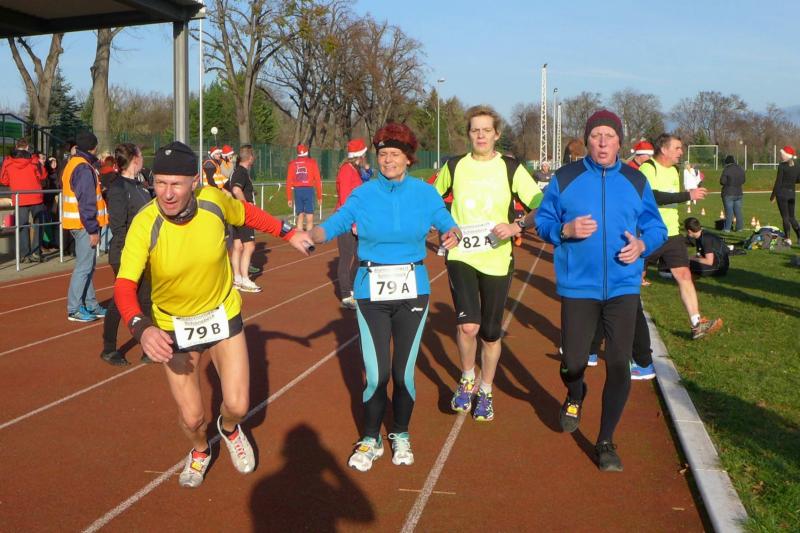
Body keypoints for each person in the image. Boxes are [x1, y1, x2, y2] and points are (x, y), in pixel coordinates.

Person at [113, 141, 312, 488]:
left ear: (194, 182)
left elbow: (246, 213)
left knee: (238, 405)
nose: (167, 193)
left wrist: (289, 232)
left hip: (221, 314)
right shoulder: (145, 223)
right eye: (160, 183)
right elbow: (124, 285)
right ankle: (200, 450)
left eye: (176, 184)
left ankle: (230, 429)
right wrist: (140, 327)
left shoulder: (213, 201)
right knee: (192, 419)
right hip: (173, 325)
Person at [308, 123, 460, 472]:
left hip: (413, 291)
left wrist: (452, 232)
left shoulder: (425, 193)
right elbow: (337, 222)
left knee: (403, 372)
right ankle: (370, 437)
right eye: (383, 154)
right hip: (370, 291)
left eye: (395, 154)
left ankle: (401, 433)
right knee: (376, 374)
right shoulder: (363, 194)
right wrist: (312, 234)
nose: (388, 160)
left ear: (408, 158)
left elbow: (445, 220)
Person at [535, 109, 667, 471]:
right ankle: (576, 391)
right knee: (573, 362)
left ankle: (606, 440)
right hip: (579, 286)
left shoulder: (636, 180)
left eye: (610, 136)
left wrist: (642, 245)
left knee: (619, 362)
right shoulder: (566, 178)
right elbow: (543, 221)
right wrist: (564, 230)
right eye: (596, 136)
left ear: (620, 142)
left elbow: (656, 227)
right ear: (587, 141)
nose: (603, 142)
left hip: (623, 285)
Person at [434, 105, 543, 422]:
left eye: (486, 130)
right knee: (468, 326)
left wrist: (516, 226)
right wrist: (444, 227)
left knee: (491, 333)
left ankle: (486, 390)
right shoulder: (454, 166)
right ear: (468, 134)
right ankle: (468, 378)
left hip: (497, 258)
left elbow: (541, 204)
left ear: (497, 134)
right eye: (475, 130)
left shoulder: (510, 168)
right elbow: (429, 200)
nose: (480, 135)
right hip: (462, 255)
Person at [638, 134, 723, 339]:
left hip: (672, 235)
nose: (681, 152)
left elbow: (671, 198)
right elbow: (653, 197)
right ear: (663, 149)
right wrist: (688, 195)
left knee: (684, 275)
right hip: (648, 234)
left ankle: (696, 324)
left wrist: (688, 192)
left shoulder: (675, 170)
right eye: (677, 148)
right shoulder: (647, 168)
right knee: (632, 279)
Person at [100, 143, 154, 366]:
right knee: (120, 300)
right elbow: (118, 226)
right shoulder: (118, 188)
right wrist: (127, 255)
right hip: (125, 254)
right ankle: (109, 348)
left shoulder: (140, 185)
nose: (143, 159)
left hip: (144, 252)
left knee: (146, 299)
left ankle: (149, 347)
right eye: (141, 155)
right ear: (134, 159)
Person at [62, 131, 109, 322]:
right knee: (84, 267)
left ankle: (90, 304)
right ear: (94, 147)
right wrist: (92, 229)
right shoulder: (83, 167)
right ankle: (74, 308)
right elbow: (87, 201)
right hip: (83, 225)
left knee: (87, 266)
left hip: (77, 223)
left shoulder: (74, 163)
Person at [334, 139, 368, 309]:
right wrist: (353, 223)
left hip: (356, 219)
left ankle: (353, 288)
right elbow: (346, 198)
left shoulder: (355, 170)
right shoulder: (346, 171)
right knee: (346, 258)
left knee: (359, 255)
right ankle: (346, 295)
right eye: (364, 154)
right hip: (346, 221)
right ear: (360, 155)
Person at [0, 138, 47, 262]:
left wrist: (15, 182)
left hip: (19, 197)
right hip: (36, 197)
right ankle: (36, 253)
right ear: (27, 147)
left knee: (22, 226)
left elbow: (3, 180)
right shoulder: (34, 160)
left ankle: (24, 255)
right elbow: (43, 175)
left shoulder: (8, 161)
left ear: (16, 147)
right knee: (39, 225)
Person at [228, 145, 262, 293]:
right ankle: (245, 279)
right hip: (244, 214)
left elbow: (229, 190)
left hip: (236, 213)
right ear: (250, 158)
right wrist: (246, 205)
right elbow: (236, 190)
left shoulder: (236, 172)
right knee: (249, 246)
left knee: (238, 245)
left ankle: (237, 279)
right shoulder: (241, 172)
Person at [286, 144, 322, 231]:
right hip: (309, 190)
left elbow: (289, 182)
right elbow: (318, 180)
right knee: (310, 214)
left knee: (300, 214)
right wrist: (319, 196)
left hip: (297, 190)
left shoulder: (292, 164)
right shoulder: (312, 162)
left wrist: (289, 198)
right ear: (307, 152)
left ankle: (299, 233)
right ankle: (309, 235)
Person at [770, 145, 800, 245]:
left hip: (782, 194)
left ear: (786, 155)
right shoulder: (797, 165)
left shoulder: (782, 166)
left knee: (785, 217)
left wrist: (773, 196)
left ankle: (787, 239)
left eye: (782, 154)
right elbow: (798, 179)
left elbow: (778, 182)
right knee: (792, 217)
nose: (781, 156)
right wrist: (791, 181)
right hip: (792, 194)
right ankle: (799, 237)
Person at [719, 155, 745, 232]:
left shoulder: (726, 169)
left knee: (729, 212)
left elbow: (722, 181)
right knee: (738, 211)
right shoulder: (740, 169)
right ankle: (739, 228)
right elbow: (743, 180)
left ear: (727, 162)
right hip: (739, 192)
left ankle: (727, 228)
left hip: (728, 193)